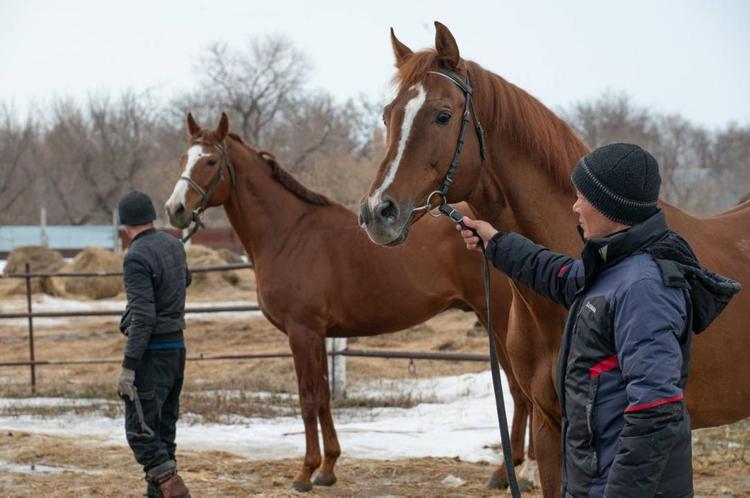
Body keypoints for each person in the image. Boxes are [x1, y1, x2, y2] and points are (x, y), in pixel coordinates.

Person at [458, 143, 740, 497]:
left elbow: (655, 413)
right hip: (596, 479)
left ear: (612, 207)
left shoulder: (644, 288)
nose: (574, 206)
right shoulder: (616, 268)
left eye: (582, 197)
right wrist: (496, 244)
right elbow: (558, 274)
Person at [117, 190, 192, 498]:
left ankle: (176, 491)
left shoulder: (135, 257)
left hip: (152, 353)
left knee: (141, 433)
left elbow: (145, 317)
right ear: (150, 217)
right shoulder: (174, 245)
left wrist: (128, 366)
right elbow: (185, 279)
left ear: (125, 226)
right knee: (163, 433)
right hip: (177, 350)